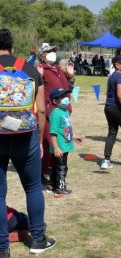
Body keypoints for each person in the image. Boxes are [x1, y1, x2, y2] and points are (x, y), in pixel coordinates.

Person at [0, 29, 55, 257]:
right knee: (32, 187)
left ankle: (2, 248)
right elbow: (41, 109)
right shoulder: (29, 68)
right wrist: (40, 138)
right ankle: (38, 239)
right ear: (12, 46)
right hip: (26, 135)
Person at [37, 44, 75, 185]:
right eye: (49, 51)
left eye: (54, 51)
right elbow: (36, 88)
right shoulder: (41, 70)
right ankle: (42, 172)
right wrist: (39, 77)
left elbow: (67, 88)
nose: (53, 53)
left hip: (62, 112)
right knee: (47, 143)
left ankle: (54, 171)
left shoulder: (58, 70)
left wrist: (70, 76)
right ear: (42, 55)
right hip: (49, 112)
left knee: (61, 143)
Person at [48, 87, 76, 195]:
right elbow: (53, 132)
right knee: (62, 167)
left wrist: (73, 136)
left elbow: (66, 127)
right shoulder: (55, 113)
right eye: (61, 97)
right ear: (55, 101)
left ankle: (53, 184)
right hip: (59, 147)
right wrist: (56, 147)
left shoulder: (65, 111)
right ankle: (60, 187)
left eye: (65, 96)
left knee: (57, 166)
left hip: (66, 145)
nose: (65, 99)